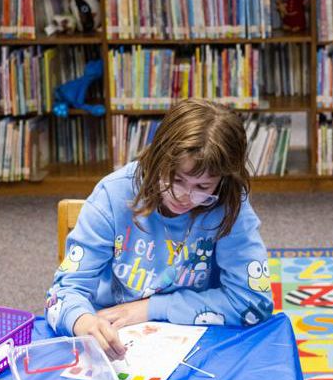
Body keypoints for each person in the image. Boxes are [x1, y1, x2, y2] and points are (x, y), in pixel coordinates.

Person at [45, 99, 275, 360]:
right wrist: (83, 321)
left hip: (199, 341)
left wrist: (152, 308)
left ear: (223, 181)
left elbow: (253, 301)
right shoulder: (114, 195)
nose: (184, 196)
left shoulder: (229, 204)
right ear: (156, 158)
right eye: (176, 179)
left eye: (203, 188)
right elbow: (62, 294)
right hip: (117, 335)